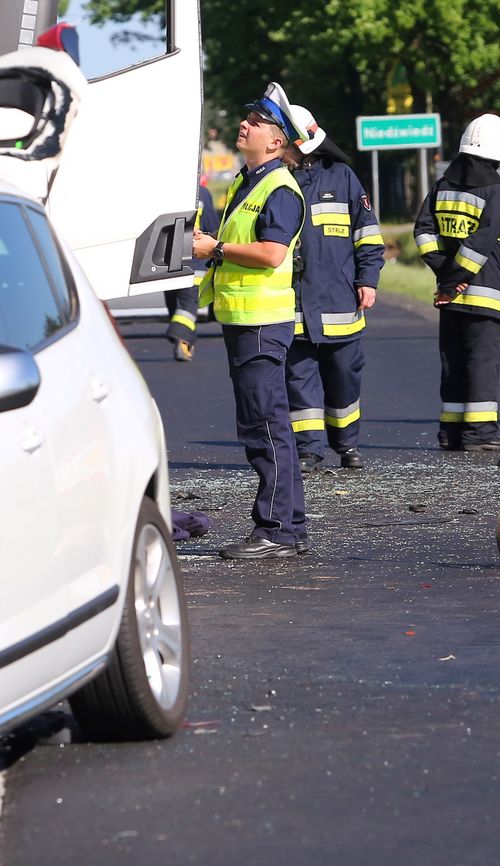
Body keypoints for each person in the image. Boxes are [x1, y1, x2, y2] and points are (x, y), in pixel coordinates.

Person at [193, 82, 309, 559]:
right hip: (244, 321)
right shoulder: (248, 180)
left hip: (262, 323)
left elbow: (272, 252)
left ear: (277, 140)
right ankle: (286, 527)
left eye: (256, 123)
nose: (245, 125)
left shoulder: (280, 188)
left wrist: (216, 248)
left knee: (267, 428)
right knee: (260, 427)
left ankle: (278, 531)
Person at [283, 104, 384, 472]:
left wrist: (367, 280)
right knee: (299, 380)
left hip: (340, 303)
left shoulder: (342, 178)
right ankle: (308, 449)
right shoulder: (277, 181)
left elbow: (369, 237)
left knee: (343, 379)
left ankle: (347, 444)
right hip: (292, 305)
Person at [413, 113, 500, 451]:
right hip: (482, 294)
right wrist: (456, 277)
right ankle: (479, 433)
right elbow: (480, 244)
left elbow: (424, 233)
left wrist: (444, 273)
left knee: (453, 362)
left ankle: (451, 432)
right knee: (482, 363)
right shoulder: (494, 191)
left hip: (450, 297)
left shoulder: (442, 186)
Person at [165, 182, 221, 360]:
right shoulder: (202, 193)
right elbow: (214, 226)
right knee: (186, 307)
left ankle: (185, 339)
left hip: (168, 263)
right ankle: (182, 338)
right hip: (195, 262)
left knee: (176, 306)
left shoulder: (166, 193)